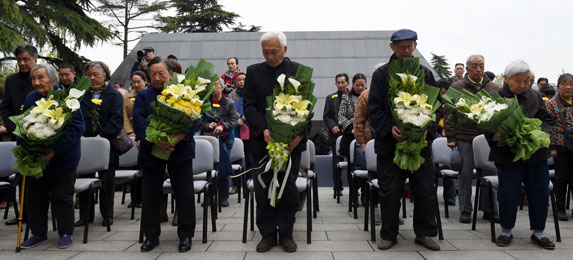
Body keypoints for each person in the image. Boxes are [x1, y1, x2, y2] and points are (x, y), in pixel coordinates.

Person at [367, 29, 440, 251]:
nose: (405, 51)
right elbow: (374, 109)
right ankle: (389, 233)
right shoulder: (382, 75)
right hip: (390, 144)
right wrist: (390, 128)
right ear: (392, 47)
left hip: (420, 144)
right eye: (401, 47)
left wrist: (427, 128)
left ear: (415, 46)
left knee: (425, 189)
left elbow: (435, 107)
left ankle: (425, 232)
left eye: (409, 46)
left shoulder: (426, 74)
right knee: (390, 190)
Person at [244, 31, 308, 253]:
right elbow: (249, 106)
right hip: (263, 144)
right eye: (265, 52)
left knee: (288, 189)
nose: (270, 56)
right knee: (263, 189)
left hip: (291, 144)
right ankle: (267, 234)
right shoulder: (253, 72)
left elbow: (306, 107)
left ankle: (287, 233)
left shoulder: (298, 71)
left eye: (274, 51)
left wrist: (299, 135)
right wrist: (263, 129)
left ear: (285, 49)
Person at [133, 56, 197, 252]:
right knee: (151, 195)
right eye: (153, 74)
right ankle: (151, 235)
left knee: (184, 194)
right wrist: (155, 139)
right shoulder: (144, 96)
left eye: (162, 73)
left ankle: (185, 235)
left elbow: (194, 119)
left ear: (171, 74)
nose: (158, 77)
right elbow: (138, 120)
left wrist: (179, 136)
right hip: (152, 151)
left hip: (180, 150)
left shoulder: (184, 93)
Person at [488, 60, 554, 250]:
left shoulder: (535, 95)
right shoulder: (495, 97)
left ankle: (538, 232)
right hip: (508, 155)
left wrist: (542, 134)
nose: (523, 85)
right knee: (508, 193)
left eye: (526, 81)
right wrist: (494, 135)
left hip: (536, 153)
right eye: (518, 81)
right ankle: (506, 230)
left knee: (540, 192)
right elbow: (485, 123)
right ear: (507, 79)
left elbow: (546, 120)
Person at [19, 64, 85, 249]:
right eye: (34, 78)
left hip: (63, 158)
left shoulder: (66, 97)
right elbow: (24, 124)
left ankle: (65, 233)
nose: (37, 82)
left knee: (62, 196)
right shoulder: (31, 97)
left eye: (41, 77)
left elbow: (77, 127)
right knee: (35, 197)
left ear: (53, 79)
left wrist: (55, 150)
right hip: (37, 156)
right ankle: (38, 233)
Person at [444, 54, 499, 224]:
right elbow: (449, 113)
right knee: (466, 173)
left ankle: (489, 209)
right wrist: (451, 136)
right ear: (467, 68)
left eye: (481, 65)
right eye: (474, 66)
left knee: (490, 172)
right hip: (464, 136)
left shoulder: (493, 87)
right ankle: (466, 210)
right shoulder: (457, 86)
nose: (478, 69)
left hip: (486, 137)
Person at [75, 61, 123, 228]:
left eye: (96, 75)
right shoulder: (82, 95)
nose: (92, 78)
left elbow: (117, 121)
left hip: (106, 144)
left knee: (107, 182)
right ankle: (85, 215)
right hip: (85, 143)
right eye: (89, 75)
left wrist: (100, 136)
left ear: (105, 75)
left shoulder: (114, 95)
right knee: (85, 178)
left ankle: (107, 215)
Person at [1, 44, 37, 226]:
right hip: (19, 135)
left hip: (39, 134)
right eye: (19, 60)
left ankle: (38, 212)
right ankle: (23, 213)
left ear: (35, 60)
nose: (22, 63)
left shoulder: (40, 78)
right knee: (22, 176)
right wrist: (11, 126)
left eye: (26, 60)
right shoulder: (11, 81)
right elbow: (6, 107)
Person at [198, 79, 238, 207]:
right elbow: (198, 122)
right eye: (212, 85)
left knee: (223, 166)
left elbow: (233, 120)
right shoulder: (204, 103)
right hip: (208, 140)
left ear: (222, 87)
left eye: (217, 85)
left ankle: (223, 196)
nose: (215, 88)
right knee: (209, 169)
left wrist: (223, 126)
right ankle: (209, 196)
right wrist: (208, 125)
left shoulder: (229, 103)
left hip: (225, 139)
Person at [546, 73, 573, 221]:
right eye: (565, 84)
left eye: (571, 84)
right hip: (559, 146)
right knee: (561, 177)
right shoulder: (551, 104)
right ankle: (560, 208)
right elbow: (546, 126)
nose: (568, 87)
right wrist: (551, 148)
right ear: (558, 86)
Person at [323, 73, 349, 196]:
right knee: (336, 162)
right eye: (338, 82)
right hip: (336, 135)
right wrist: (333, 126)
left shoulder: (354, 97)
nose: (340, 84)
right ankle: (337, 187)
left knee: (353, 161)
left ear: (348, 83)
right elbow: (326, 116)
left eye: (343, 82)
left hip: (350, 134)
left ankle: (355, 186)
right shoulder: (330, 98)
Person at [229, 72, 253, 194]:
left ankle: (249, 183)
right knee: (236, 159)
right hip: (235, 130)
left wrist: (243, 119)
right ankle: (236, 185)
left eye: (244, 79)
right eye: (239, 80)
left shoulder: (251, 95)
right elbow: (230, 110)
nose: (241, 82)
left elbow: (252, 109)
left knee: (250, 158)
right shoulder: (231, 96)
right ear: (235, 82)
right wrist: (238, 119)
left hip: (248, 129)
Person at [338, 73, 367, 169]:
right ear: (353, 85)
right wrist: (352, 128)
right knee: (352, 165)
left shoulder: (370, 96)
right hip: (350, 135)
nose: (360, 87)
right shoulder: (346, 97)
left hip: (367, 134)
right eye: (357, 85)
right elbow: (341, 116)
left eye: (362, 85)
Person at [123, 71, 148, 137]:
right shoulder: (126, 98)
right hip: (133, 133)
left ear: (145, 81)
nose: (136, 85)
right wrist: (129, 131)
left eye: (139, 82)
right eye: (134, 82)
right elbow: (125, 116)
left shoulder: (151, 95)